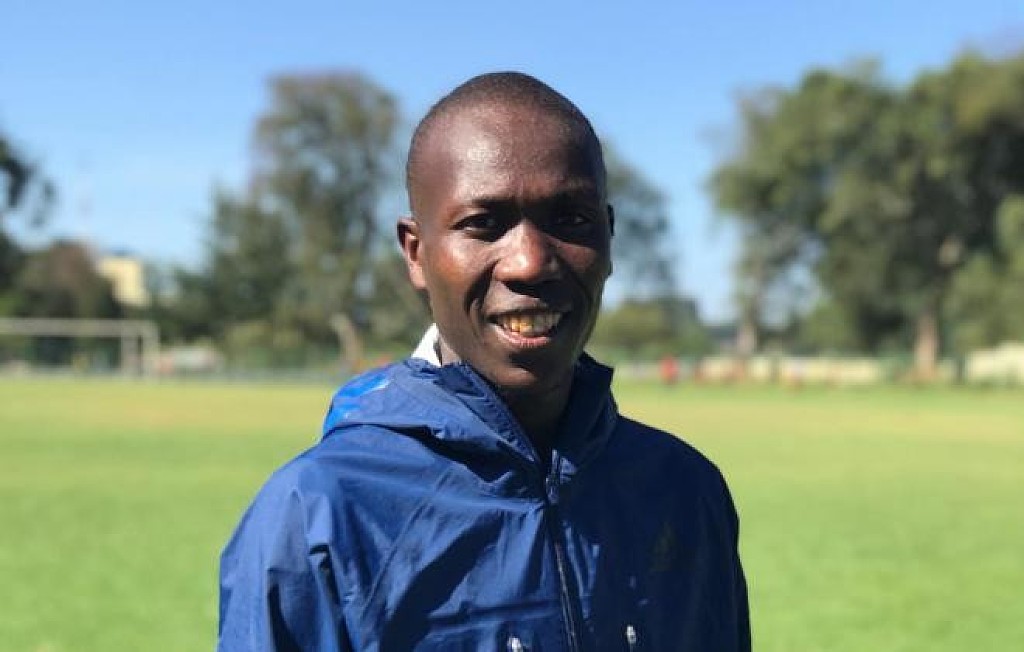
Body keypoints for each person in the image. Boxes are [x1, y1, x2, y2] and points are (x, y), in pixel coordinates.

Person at [218, 72, 750, 651]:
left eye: (571, 220)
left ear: (609, 236)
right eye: (483, 224)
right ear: (416, 253)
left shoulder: (683, 490)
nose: (529, 262)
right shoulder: (319, 514)